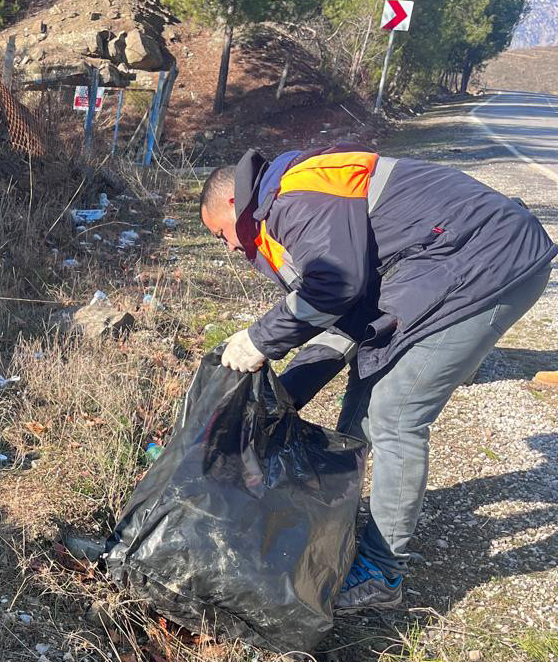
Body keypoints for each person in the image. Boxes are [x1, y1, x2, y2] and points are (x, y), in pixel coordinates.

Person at [199, 144, 555, 612]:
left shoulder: (295, 200)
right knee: (358, 416)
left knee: (395, 415)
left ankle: (382, 571)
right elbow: (343, 318)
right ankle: (349, 529)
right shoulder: (284, 212)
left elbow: (334, 290)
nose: (229, 247)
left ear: (231, 202)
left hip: (488, 265)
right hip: (442, 266)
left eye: (221, 235)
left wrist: (260, 340)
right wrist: (283, 396)